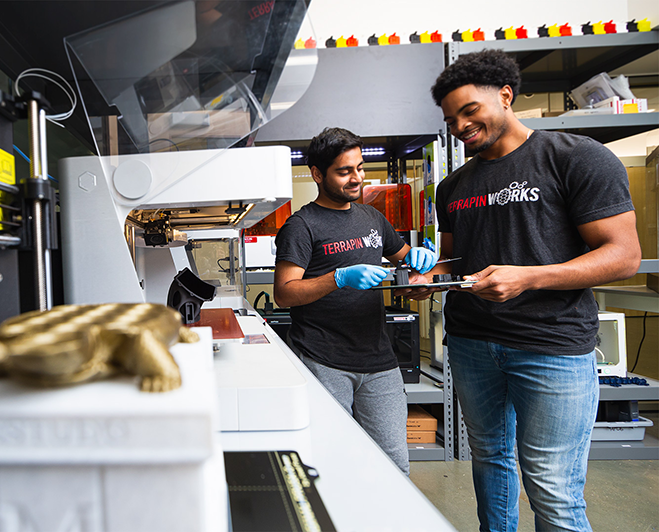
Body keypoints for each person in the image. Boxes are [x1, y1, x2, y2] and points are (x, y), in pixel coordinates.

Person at [419, 49, 641, 531]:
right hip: (472, 342)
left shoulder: (576, 158)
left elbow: (623, 255)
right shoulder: (453, 184)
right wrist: (428, 278)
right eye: (451, 118)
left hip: (551, 345)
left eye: (470, 111)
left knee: (552, 488)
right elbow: (454, 260)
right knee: (490, 460)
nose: (460, 126)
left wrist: (530, 276)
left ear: (505, 95)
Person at [273, 127, 438, 475]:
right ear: (317, 174)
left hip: (380, 361)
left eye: (360, 168)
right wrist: (338, 278)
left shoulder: (373, 218)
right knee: (333, 467)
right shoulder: (302, 226)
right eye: (344, 171)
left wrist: (422, 273)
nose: (357, 178)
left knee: (395, 467)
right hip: (324, 361)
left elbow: (408, 269)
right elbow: (285, 292)